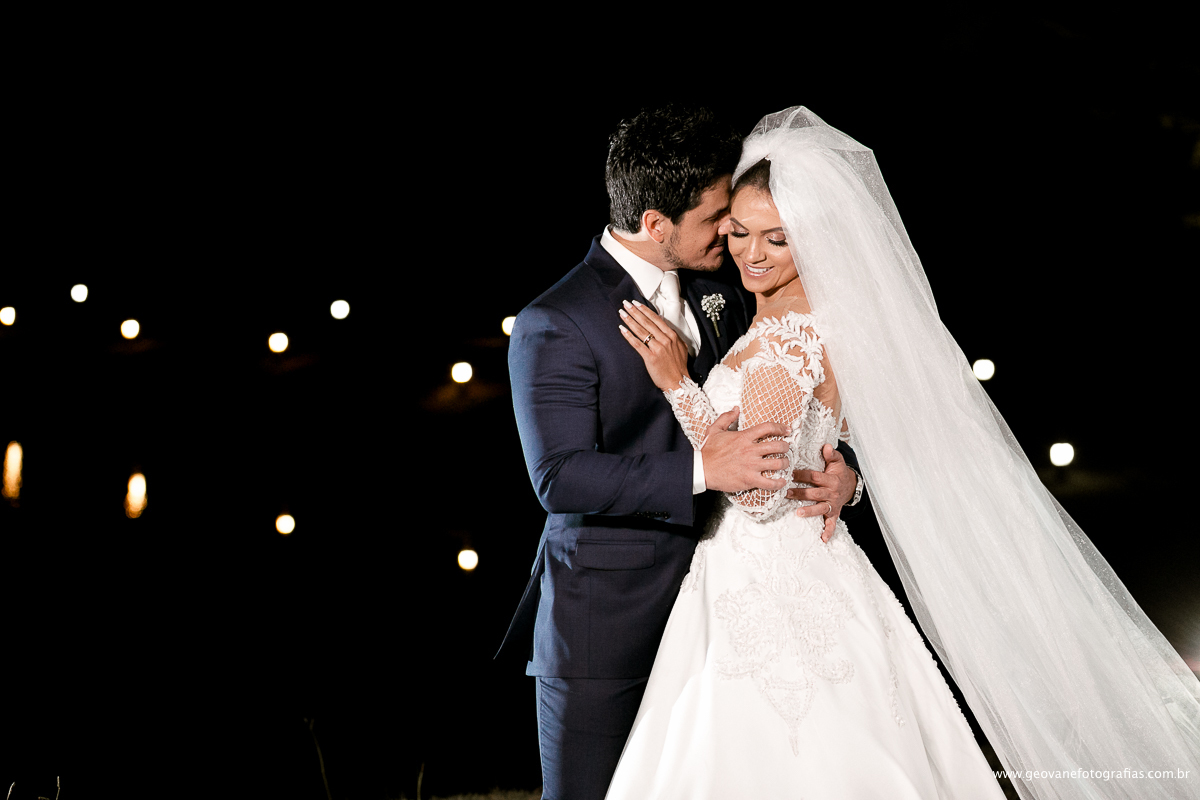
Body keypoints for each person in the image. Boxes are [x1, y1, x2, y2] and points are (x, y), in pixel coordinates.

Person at [604, 108, 1200, 800]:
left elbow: (759, 493)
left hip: (763, 582)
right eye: (738, 231)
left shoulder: (782, 342)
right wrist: (848, 481)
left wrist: (679, 386)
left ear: (814, 237)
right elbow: (837, 439)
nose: (750, 253)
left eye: (777, 238)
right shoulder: (825, 322)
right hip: (816, 566)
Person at [498, 106, 868, 800]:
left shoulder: (723, 287)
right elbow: (559, 476)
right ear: (657, 224)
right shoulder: (557, 321)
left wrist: (841, 470)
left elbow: (793, 392)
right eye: (718, 218)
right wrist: (706, 468)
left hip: (728, 610)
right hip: (609, 620)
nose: (732, 233)